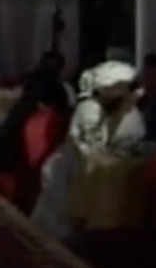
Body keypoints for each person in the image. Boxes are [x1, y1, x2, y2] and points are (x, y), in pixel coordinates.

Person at [30, 60, 145, 240]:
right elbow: (90, 149)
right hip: (77, 174)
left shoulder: (130, 113)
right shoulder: (89, 110)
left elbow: (132, 140)